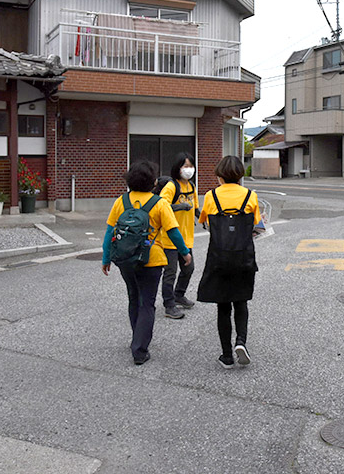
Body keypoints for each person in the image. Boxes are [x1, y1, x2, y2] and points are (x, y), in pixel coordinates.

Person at [101, 160, 192, 365]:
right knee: (147, 303)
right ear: (153, 183)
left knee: (134, 298)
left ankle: (137, 338)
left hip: (125, 260)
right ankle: (140, 350)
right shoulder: (159, 203)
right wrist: (185, 253)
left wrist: (106, 258)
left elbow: (109, 232)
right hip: (152, 260)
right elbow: (173, 232)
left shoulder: (121, 201)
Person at [197, 155, 262, 369]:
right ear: (240, 174)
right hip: (244, 257)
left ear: (219, 175)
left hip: (219, 258)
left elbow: (204, 221)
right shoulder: (250, 196)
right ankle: (241, 342)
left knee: (223, 306)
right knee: (241, 302)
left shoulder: (210, 196)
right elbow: (257, 226)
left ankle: (226, 355)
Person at [158, 153, 199, 319]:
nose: (188, 169)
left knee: (188, 269)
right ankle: (169, 305)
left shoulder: (192, 187)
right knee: (170, 272)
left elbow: (195, 207)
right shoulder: (171, 186)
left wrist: (206, 219)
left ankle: (179, 294)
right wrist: (179, 207)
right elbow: (161, 207)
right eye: (185, 166)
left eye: (190, 166)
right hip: (169, 238)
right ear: (178, 168)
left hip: (186, 237)